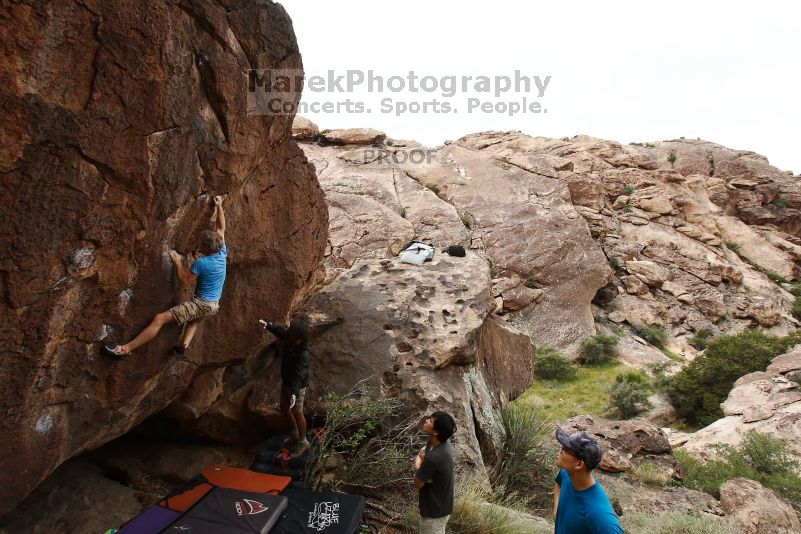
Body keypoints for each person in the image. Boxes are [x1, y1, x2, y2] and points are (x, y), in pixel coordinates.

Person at [101, 195, 228, 358]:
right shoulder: (222, 251)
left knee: (159, 319)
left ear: (206, 248)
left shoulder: (202, 263)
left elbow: (184, 282)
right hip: (213, 305)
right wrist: (219, 206)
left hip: (202, 305)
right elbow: (221, 228)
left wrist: (177, 262)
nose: (198, 245)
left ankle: (124, 349)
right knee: (194, 320)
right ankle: (183, 346)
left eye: (201, 244)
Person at [553, 427, 623, 534]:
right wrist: (557, 510)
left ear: (579, 464)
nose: (560, 451)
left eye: (565, 450)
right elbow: (558, 483)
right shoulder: (567, 473)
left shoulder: (599, 513)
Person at [260, 316, 311, 459]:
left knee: (297, 411)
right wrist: (268, 324)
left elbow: (299, 373)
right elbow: (282, 332)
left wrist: (294, 393)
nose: (295, 340)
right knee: (284, 407)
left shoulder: (303, 353)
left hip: (298, 385)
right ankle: (295, 433)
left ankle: (303, 442)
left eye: (297, 339)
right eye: (293, 337)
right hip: (287, 380)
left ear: (302, 338)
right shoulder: (290, 337)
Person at [413, 411, 456, 534]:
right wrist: (423, 470)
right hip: (439, 505)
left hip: (434, 513)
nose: (426, 420)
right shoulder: (437, 442)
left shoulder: (435, 457)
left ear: (436, 432)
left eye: (430, 421)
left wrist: (418, 465)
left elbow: (417, 483)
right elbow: (421, 454)